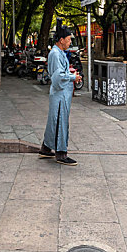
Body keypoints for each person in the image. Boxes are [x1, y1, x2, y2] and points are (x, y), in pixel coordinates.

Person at [39, 18, 80, 166]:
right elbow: (58, 77)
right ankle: (61, 153)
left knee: (54, 121)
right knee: (60, 121)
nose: (70, 42)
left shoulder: (59, 52)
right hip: (60, 92)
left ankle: (46, 148)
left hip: (61, 93)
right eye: (68, 40)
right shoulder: (56, 54)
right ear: (61, 40)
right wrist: (72, 77)